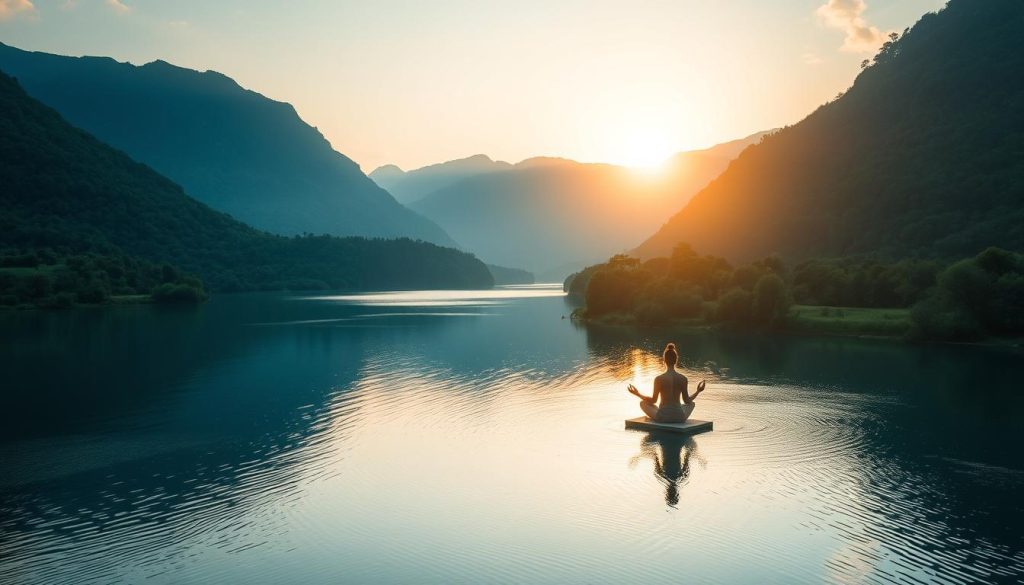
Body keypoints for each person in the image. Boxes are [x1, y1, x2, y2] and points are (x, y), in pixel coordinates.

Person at [627, 343, 706, 423]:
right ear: (676, 360)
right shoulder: (683, 378)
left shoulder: (658, 379)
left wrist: (637, 394)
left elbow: (653, 400)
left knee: (643, 403)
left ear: (664, 360)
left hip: (663, 417)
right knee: (692, 403)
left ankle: (664, 411)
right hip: (679, 417)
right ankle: (674, 411)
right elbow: (687, 401)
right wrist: (698, 391)